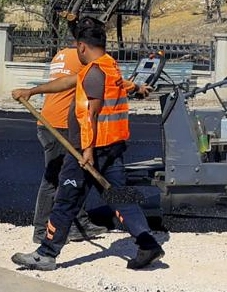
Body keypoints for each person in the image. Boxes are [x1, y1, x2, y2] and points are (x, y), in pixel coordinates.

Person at [10, 17, 164, 271]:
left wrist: (88, 151)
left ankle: (46, 254)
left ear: (81, 47)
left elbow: (90, 114)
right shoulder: (108, 66)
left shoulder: (93, 73)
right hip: (112, 147)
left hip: (87, 148)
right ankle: (148, 244)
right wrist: (33, 92)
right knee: (120, 196)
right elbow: (68, 82)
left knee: (65, 199)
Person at [31, 38, 109, 245]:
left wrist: (32, 91)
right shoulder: (82, 58)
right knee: (54, 179)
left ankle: (77, 223)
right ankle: (41, 229)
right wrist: (133, 86)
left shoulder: (62, 54)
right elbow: (100, 79)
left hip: (51, 122)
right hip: (59, 126)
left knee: (73, 175)